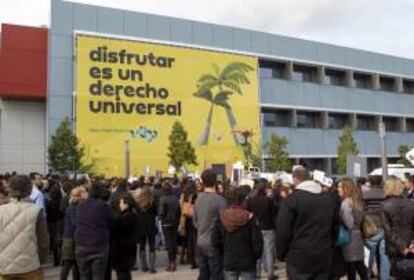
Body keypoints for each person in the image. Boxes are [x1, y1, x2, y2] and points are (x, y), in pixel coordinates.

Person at [276, 166, 339, 280]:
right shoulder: (328, 199)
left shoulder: (292, 200)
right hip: (323, 254)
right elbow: (335, 227)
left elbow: (283, 231)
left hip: (298, 257)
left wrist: (281, 254)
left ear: (295, 180)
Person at [0, 175, 49, 280]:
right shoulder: (36, 210)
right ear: (30, 189)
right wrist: (40, 260)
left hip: (4, 268)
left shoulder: (1, 210)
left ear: (9, 189)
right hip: (30, 267)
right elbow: (43, 242)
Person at [219, 187, 263, 280]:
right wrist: (256, 256)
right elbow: (257, 241)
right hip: (248, 259)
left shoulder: (223, 217)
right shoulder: (250, 218)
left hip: (229, 259)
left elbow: (216, 239)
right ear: (243, 200)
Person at [194, 169, 228, 280]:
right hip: (214, 243)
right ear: (215, 181)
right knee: (217, 275)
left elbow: (195, 221)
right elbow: (225, 223)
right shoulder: (220, 200)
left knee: (203, 274)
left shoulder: (198, 199)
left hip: (200, 241)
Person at [75, 182, 113, 280]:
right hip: (99, 245)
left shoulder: (80, 205)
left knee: (84, 276)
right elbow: (112, 222)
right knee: (98, 276)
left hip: (81, 244)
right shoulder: (103, 206)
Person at [381, 177, 414, 280]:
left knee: (398, 273)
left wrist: (402, 247)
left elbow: (388, 231)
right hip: (410, 244)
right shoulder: (411, 204)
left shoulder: (384, 205)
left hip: (394, 247)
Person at [338, 178, 368, 280]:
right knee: (359, 265)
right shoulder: (356, 201)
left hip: (349, 238)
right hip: (357, 235)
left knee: (351, 267)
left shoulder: (346, 203)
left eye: (340, 186)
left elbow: (349, 223)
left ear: (346, 188)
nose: (338, 189)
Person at [247, 183, 277, 280]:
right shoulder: (269, 200)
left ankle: (257, 273)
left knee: (257, 251)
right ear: (264, 190)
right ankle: (270, 273)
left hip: (256, 227)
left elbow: (249, 214)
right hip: (268, 228)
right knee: (269, 251)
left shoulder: (251, 201)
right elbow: (273, 215)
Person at [61, 186, 88, 280]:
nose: (87, 193)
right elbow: (74, 223)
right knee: (68, 263)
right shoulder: (73, 207)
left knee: (76, 264)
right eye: (84, 192)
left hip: (75, 238)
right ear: (79, 195)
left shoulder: (79, 206)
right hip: (70, 238)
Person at [110, 193, 139, 280]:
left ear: (127, 204)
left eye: (121, 203)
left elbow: (115, 231)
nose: (119, 205)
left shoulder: (123, 218)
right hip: (129, 247)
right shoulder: (133, 215)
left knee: (122, 273)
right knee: (126, 272)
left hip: (121, 249)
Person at [158, 182, 181, 272]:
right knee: (174, 242)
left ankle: (171, 262)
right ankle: (173, 261)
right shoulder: (175, 198)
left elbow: (161, 212)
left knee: (169, 243)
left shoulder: (162, 199)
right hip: (174, 222)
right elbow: (179, 210)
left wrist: (160, 218)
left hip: (166, 223)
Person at [136, 186, 158, 273]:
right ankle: (152, 267)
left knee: (142, 245)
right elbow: (156, 212)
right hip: (151, 225)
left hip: (141, 225)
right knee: (152, 246)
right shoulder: (152, 202)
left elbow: (136, 212)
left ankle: (144, 266)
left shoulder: (138, 202)